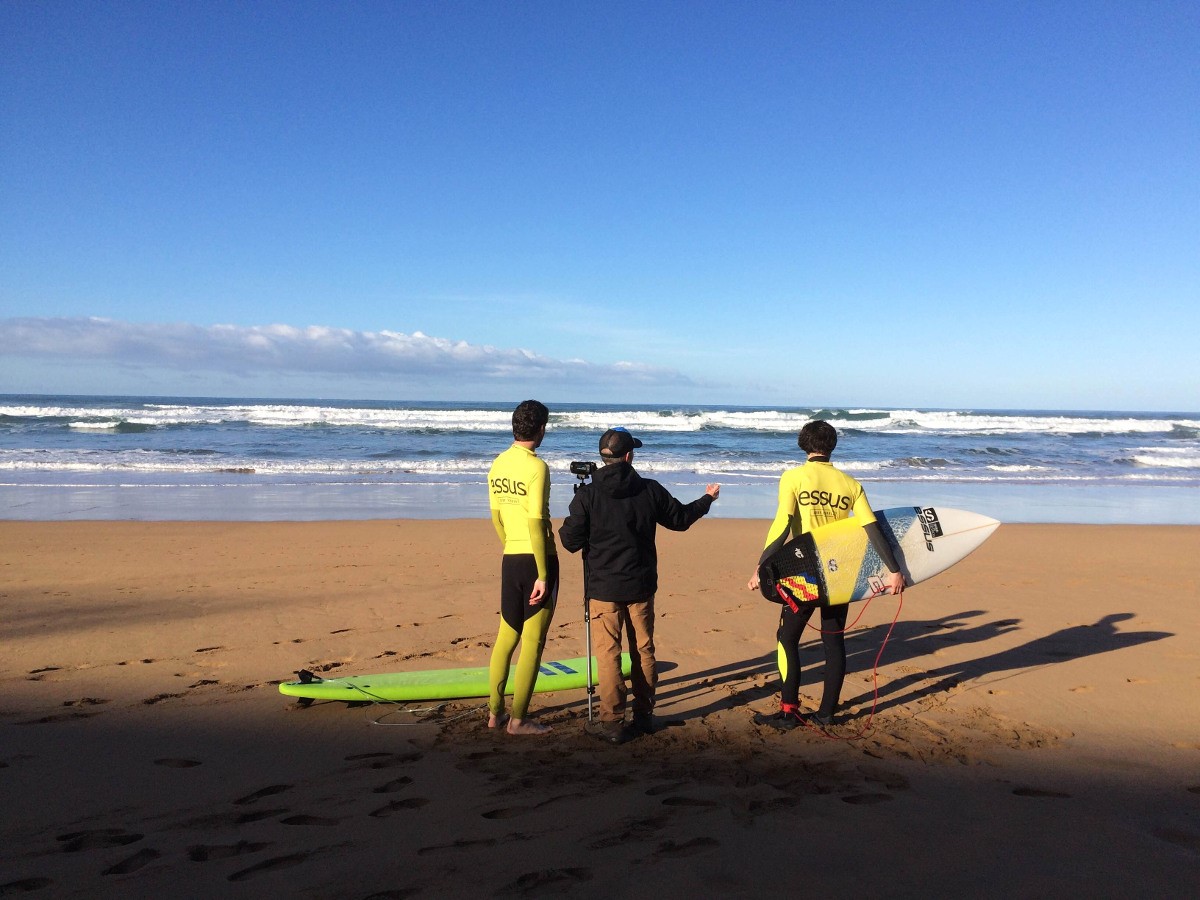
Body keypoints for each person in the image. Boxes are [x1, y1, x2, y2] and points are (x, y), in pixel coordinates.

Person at [559, 427, 719, 743]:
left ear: (603, 458)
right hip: (640, 585)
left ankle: (613, 722)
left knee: (608, 653)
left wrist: (584, 512)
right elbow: (681, 519)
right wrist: (706, 499)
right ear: (629, 456)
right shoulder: (648, 490)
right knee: (643, 649)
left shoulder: (589, 495)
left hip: (604, 588)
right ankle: (644, 715)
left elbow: (569, 541)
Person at [747, 420, 905, 730]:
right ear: (831, 446)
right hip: (840, 573)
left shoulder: (793, 478)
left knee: (787, 638)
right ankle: (827, 713)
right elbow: (871, 530)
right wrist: (894, 570)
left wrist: (762, 566)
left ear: (803, 444)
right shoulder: (850, 484)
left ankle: (789, 712)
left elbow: (782, 526)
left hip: (804, 572)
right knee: (834, 642)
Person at [486, 399, 558, 736]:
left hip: (510, 558)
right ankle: (518, 720)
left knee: (505, 637)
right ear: (541, 429)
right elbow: (536, 520)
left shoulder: (497, 463)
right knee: (532, 642)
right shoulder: (537, 467)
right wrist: (542, 574)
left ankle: (494, 713)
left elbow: (497, 517)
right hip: (536, 559)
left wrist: (508, 547)